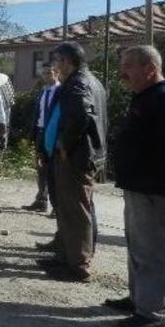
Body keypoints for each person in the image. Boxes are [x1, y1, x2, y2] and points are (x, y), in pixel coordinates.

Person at [103, 46, 165, 327]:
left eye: (128, 66)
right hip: (139, 187)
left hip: (155, 191)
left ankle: (153, 313)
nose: (122, 72)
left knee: (154, 252)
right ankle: (140, 299)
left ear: (150, 68)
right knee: (139, 247)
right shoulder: (146, 97)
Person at [38, 41, 106, 282]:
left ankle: (78, 265)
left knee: (75, 211)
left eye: (57, 61)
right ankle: (65, 256)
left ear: (67, 61)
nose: (55, 66)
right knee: (67, 208)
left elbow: (80, 116)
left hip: (76, 157)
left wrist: (65, 144)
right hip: (80, 155)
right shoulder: (91, 81)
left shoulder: (78, 83)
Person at [23, 63, 60, 214]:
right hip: (40, 132)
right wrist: (32, 134)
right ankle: (41, 201)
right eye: (44, 73)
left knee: (54, 170)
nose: (46, 76)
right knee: (41, 168)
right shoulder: (43, 91)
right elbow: (38, 113)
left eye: (49, 73)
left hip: (54, 135)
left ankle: (57, 206)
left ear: (57, 73)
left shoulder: (60, 91)